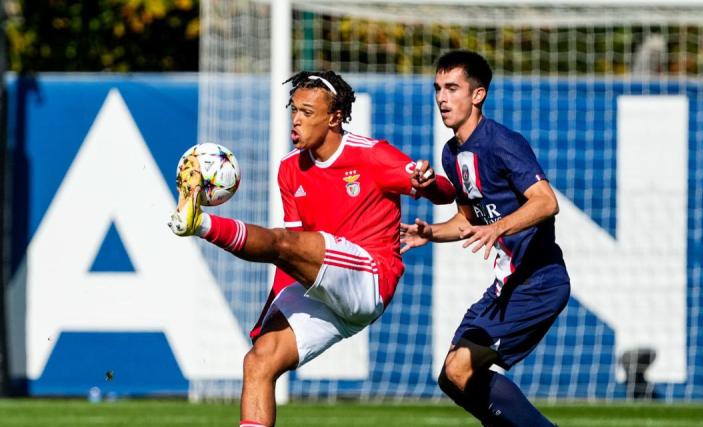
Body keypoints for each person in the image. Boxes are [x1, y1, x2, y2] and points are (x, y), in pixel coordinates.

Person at [168, 70, 456, 427]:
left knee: (290, 243)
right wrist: (271, 313)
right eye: (294, 110)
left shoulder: (371, 155)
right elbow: (288, 255)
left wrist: (427, 184)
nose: (296, 120)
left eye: (307, 112)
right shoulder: (290, 168)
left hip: (369, 277)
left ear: (334, 117)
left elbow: (447, 193)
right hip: (323, 287)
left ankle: (199, 223)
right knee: (259, 361)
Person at [400, 50, 570, 427]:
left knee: (461, 368)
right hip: (506, 284)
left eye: (452, 88)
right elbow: (468, 218)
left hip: (538, 281)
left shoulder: (503, 143)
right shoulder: (451, 154)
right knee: (451, 377)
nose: (442, 98)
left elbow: (546, 202)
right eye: (438, 88)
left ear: (478, 95)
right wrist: (431, 232)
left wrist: (499, 227)